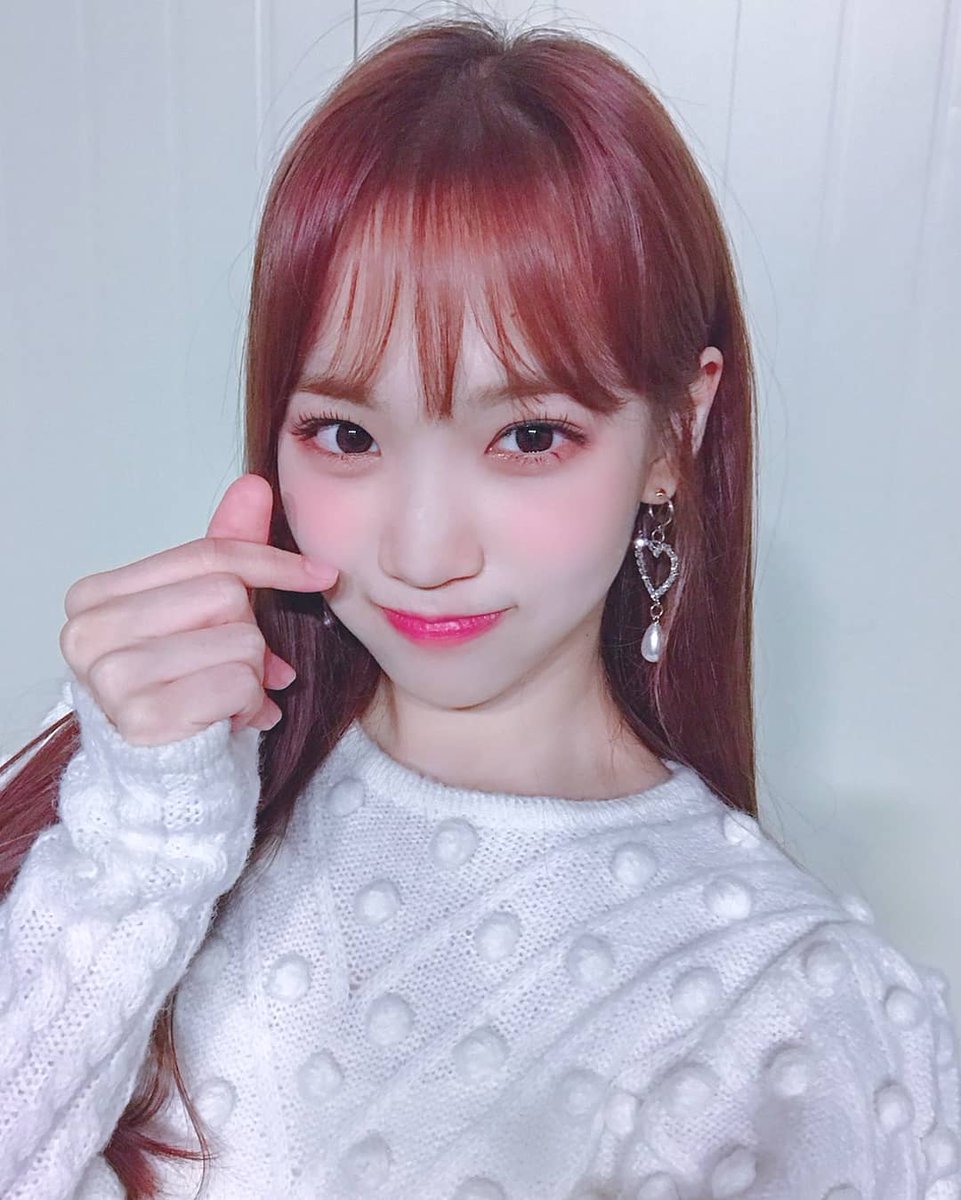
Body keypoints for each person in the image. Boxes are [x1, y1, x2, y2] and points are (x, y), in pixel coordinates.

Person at [1, 14, 958, 1200]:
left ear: (675, 432)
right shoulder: (154, 776)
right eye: (346, 434)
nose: (422, 551)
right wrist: (141, 841)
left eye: (529, 437)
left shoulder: (799, 1007)